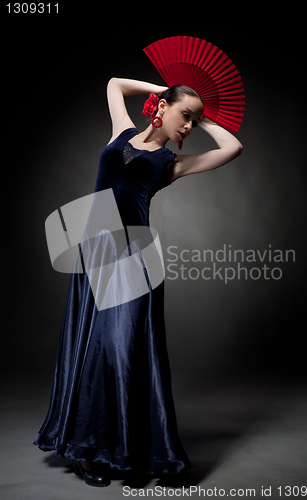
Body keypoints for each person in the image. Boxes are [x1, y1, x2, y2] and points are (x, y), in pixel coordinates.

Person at [34, 77, 243, 487]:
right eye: (185, 116)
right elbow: (112, 83)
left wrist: (199, 117)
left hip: (133, 258)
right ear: (161, 106)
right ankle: (88, 451)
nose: (187, 126)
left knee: (123, 349)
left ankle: (134, 451)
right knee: (91, 349)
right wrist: (166, 93)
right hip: (92, 253)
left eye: (192, 122)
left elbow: (233, 148)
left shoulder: (171, 165)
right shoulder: (121, 133)